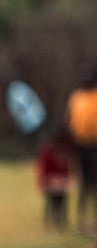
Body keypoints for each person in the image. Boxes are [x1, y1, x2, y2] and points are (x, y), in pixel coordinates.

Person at [67, 69, 97, 231]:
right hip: (80, 145)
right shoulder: (77, 97)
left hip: (95, 145)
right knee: (83, 183)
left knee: (94, 183)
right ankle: (82, 220)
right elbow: (71, 119)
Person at [35, 126, 74, 230]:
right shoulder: (48, 150)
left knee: (62, 199)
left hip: (60, 182)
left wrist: (65, 179)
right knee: (51, 200)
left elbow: (66, 169)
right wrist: (47, 181)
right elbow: (44, 169)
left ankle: (61, 221)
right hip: (50, 181)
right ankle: (50, 221)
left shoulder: (64, 151)